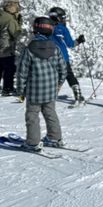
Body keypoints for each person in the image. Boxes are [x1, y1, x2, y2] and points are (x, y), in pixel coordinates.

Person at [15, 16, 67, 151]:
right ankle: (55, 138)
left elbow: (22, 73)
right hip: (50, 90)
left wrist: (20, 91)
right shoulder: (55, 48)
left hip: (34, 92)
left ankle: (32, 142)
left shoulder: (29, 50)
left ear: (35, 30)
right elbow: (63, 69)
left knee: (32, 115)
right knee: (50, 113)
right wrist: (58, 85)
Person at [48, 7, 87, 105]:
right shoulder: (62, 28)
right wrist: (79, 40)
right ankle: (78, 95)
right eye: (63, 17)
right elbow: (70, 44)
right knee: (69, 75)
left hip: (48, 57)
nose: (64, 19)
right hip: (62, 57)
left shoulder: (46, 27)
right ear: (58, 17)